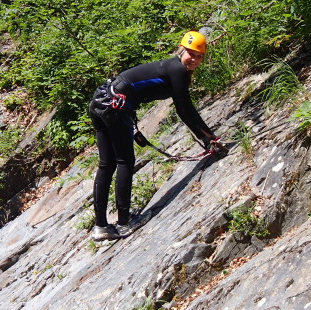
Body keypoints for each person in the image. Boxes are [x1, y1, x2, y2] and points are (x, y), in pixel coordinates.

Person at [88, 31, 224, 241]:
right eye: (191, 54)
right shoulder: (177, 69)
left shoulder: (171, 66)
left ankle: (101, 227)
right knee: (124, 161)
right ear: (181, 50)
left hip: (102, 100)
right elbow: (185, 109)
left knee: (107, 164)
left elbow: (182, 109)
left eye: (199, 56)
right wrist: (209, 138)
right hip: (114, 106)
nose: (194, 60)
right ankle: (124, 223)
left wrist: (206, 137)